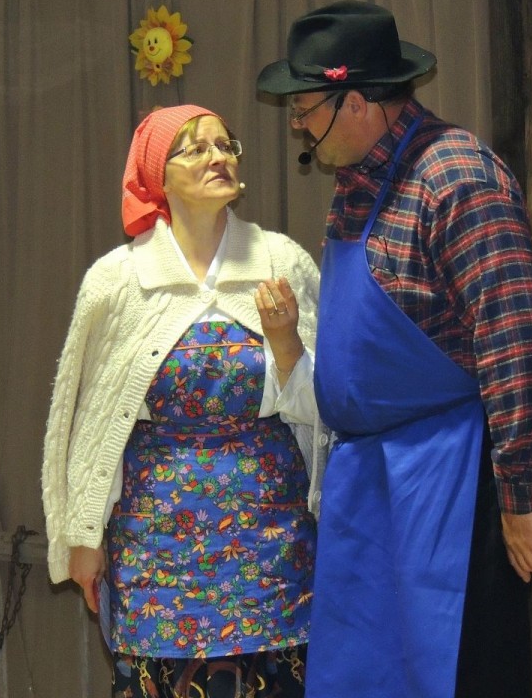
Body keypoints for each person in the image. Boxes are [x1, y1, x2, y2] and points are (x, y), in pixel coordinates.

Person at [257, 1, 532, 698]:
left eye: (304, 108)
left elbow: (518, 336)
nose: (297, 123)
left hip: (450, 483)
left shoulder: (456, 178)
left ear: (355, 102)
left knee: (460, 673)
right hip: (371, 485)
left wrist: (521, 493)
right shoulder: (357, 185)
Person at [41, 104, 324, 698]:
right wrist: (83, 536)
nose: (218, 158)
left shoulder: (282, 263)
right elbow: (92, 424)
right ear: (157, 176)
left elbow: (325, 411)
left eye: (225, 145)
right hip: (155, 545)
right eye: (195, 149)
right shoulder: (118, 281)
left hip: (272, 542)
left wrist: (285, 343)